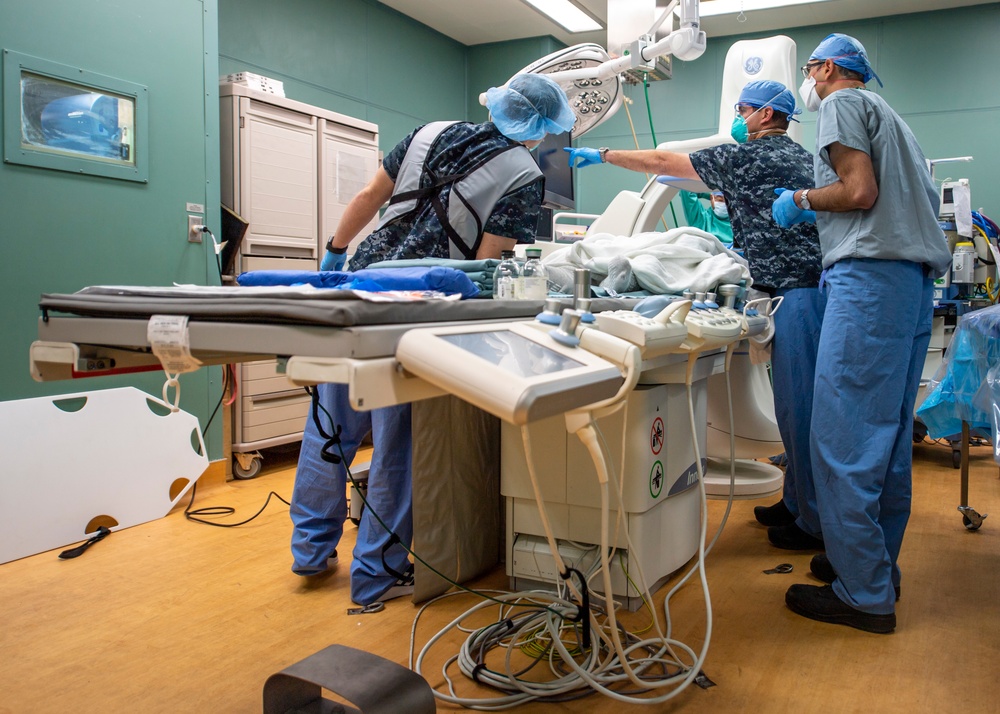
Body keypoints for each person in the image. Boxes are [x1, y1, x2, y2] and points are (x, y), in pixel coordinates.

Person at [291, 74, 575, 606]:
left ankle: (309, 550)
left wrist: (335, 251)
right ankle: (375, 574)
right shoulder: (523, 173)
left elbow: (369, 195)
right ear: (538, 128)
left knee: (330, 426)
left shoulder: (430, 131)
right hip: (417, 306)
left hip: (357, 285)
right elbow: (487, 261)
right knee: (395, 443)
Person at [567, 80, 827, 552]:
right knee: (794, 410)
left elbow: (665, 164)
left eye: (743, 109)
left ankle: (813, 523)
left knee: (800, 411)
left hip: (797, 294)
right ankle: (796, 503)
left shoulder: (749, 156)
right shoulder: (803, 157)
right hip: (798, 290)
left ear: (766, 116)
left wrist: (603, 154)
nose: (738, 117)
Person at [773, 34, 951, 634]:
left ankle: (864, 595)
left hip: (868, 280)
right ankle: (873, 566)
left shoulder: (841, 104)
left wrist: (799, 198)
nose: (809, 81)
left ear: (826, 68)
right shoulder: (896, 123)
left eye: (810, 70)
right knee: (886, 438)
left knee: (842, 435)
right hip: (909, 286)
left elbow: (857, 191)